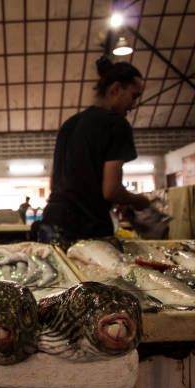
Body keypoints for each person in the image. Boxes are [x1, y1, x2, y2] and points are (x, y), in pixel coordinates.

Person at [40, 56, 149, 246]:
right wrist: (138, 200)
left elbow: (54, 181)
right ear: (116, 89)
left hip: (52, 224)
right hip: (87, 229)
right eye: (134, 96)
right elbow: (111, 190)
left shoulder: (69, 124)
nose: (134, 105)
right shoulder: (116, 124)